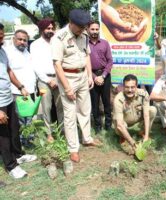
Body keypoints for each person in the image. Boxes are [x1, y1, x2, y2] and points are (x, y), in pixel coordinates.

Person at [51, 9, 100, 163]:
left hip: (82, 77)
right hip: (68, 78)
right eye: (79, 27)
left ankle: (87, 138)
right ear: (71, 23)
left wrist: (89, 75)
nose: (82, 30)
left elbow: (86, 55)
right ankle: (73, 148)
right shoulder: (59, 38)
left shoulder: (84, 35)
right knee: (70, 114)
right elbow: (57, 64)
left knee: (85, 110)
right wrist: (67, 88)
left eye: (84, 27)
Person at [0, 23, 36, 179]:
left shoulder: (1, 51)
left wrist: (20, 86)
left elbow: (9, 71)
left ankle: (18, 154)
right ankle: (10, 165)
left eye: (2, 35)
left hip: (8, 98)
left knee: (14, 129)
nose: (1, 38)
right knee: (3, 135)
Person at [31, 18, 63, 142]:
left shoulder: (57, 42)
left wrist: (57, 78)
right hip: (43, 81)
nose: (50, 30)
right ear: (42, 29)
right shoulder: (35, 45)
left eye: (52, 28)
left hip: (58, 78)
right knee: (46, 108)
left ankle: (62, 132)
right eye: (48, 28)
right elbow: (35, 65)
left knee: (60, 107)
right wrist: (48, 80)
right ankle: (49, 134)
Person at [113, 74, 157, 154]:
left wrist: (147, 136)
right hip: (124, 121)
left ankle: (143, 132)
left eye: (132, 87)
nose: (130, 90)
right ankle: (123, 137)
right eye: (127, 87)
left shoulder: (143, 94)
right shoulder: (118, 99)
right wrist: (133, 143)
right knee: (120, 124)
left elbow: (146, 115)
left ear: (136, 86)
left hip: (137, 117)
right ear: (123, 86)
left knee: (152, 110)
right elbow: (119, 124)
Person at [4, 30, 37, 126]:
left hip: (30, 91)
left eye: (25, 40)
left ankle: (29, 140)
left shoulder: (27, 52)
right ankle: (22, 141)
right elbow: (8, 72)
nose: (22, 42)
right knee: (20, 120)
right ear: (13, 39)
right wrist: (20, 87)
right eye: (20, 39)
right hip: (17, 92)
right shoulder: (7, 52)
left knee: (29, 118)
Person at [88, 21, 113, 132]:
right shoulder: (84, 44)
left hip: (105, 75)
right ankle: (97, 126)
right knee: (94, 103)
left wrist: (102, 76)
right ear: (88, 30)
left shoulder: (105, 43)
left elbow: (110, 61)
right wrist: (94, 77)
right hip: (91, 75)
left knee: (107, 101)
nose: (95, 31)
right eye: (92, 29)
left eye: (97, 29)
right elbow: (84, 64)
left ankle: (108, 126)